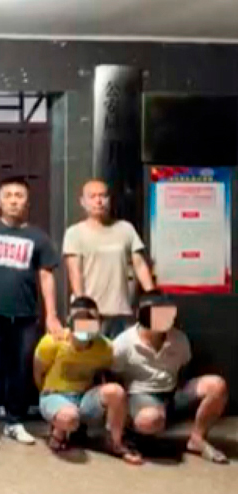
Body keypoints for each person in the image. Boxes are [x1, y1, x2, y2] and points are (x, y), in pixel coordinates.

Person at [0, 176, 62, 448]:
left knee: (20, 368)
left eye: (19, 195)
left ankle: (15, 420)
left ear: (27, 202)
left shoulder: (38, 237)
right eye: (8, 195)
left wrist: (51, 314)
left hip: (25, 315)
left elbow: (46, 276)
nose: (14, 201)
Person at [112, 291, 230, 464]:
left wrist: (181, 394)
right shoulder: (123, 343)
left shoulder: (179, 339)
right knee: (150, 419)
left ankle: (197, 439)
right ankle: (133, 434)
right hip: (140, 396)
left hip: (172, 392)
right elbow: (113, 379)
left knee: (217, 386)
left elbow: (185, 368)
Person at [33, 297, 141, 464]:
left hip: (85, 398)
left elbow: (106, 374)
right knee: (69, 417)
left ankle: (115, 442)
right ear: (71, 320)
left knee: (116, 391)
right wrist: (46, 394)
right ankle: (58, 432)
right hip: (55, 395)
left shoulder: (105, 347)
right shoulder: (52, 342)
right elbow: (38, 372)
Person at [63, 180, 155, 338]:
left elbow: (140, 265)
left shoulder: (126, 229)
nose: (98, 201)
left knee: (121, 352)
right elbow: (74, 272)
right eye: (92, 196)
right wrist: (82, 307)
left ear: (110, 200)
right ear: (83, 202)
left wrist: (153, 299)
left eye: (103, 196)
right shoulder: (75, 233)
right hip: (89, 312)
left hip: (122, 312)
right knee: (89, 352)